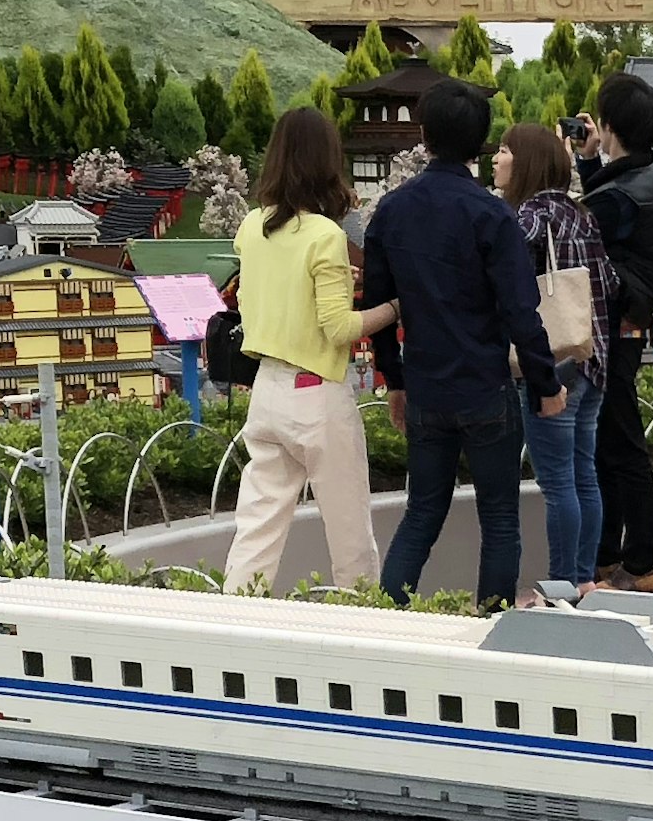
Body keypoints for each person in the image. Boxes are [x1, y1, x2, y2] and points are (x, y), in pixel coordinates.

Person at [360, 75, 562, 608]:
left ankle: (390, 614)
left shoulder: (391, 211)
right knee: (499, 517)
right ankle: (489, 622)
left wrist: (394, 381)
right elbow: (522, 311)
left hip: (425, 387)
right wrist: (546, 382)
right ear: (481, 141)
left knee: (422, 511)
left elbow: (377, 309)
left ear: (423, 135)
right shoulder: (492, 214)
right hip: (485, 387)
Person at [222, 105, 400, 595]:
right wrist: (394, 307)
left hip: (267, 391)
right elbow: (340, 327)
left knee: (256, 529)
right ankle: (361, 628)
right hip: (317, 395)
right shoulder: (326, 234)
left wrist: (340, 282)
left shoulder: (252, 227)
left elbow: (278, 291)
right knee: (349, 531)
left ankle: (234, 619)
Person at [496, 119, 610, 602]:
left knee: (559, 481)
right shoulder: (581, 213)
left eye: (504, 151)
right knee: (584, 473)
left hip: (553, 363)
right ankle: (583, 576)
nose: (496, 159)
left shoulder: (530, 217)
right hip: (591, 357)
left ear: (525, 162)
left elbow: (505, 273)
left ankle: (563, 583)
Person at [572, 71, 653, 591]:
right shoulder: (652, 175)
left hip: (613, 323)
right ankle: (612, 554)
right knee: (610, 442)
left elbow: (584, 229)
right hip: (628, 319)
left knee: (620, 445)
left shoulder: (620, 194)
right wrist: (592, 161)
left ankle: (638, 562)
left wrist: (585, 165)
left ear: (609, 126)